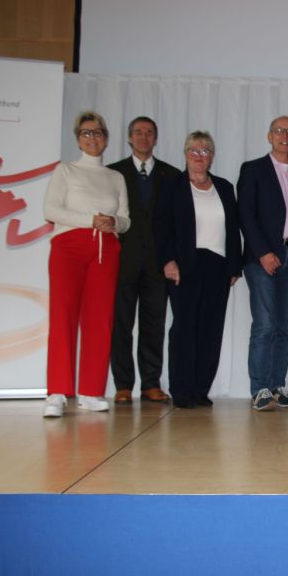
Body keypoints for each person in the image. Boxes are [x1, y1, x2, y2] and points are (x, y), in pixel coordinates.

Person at [42, 111, 130, 417]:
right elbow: (51, 210)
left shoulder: (115, 177)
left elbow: (126, 219)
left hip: (106, 248)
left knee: (100, 319)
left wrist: (113, 222)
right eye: (86, 133)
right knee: (63, 316)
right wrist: (90, 220)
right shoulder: (65, 170)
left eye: (98, 133)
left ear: (106, 138)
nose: (93, 138)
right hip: (69, 246)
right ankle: (56, 392)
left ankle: (91, 391)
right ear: (78, 137)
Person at [155, 131, 242, 409]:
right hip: (184, 266)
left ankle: (200, 389)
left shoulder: (225, 187)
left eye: (205, 151)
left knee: (210, 330)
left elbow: (233, 230)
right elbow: (161, 227)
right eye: (194, 150)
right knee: (184, 328)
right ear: (185, 154)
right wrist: (167, 260)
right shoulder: (172, 186)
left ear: (212, 157)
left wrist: (234, 267)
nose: (199, 156)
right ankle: (181, 389)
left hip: (218, 266)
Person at [237, 116, 288, 411]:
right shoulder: (253, 169)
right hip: (264, 255)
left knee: (285, 327)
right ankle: (259, 388)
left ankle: (277, 386)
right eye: (279, 130)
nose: (285, 135)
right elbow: (245, 214)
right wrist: (262, 252)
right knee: (264, 324)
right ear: (269, 136)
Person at [108, 116, 180, 405]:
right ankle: (123, 385)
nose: (143, 137)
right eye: (138, 132)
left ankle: (151, 383)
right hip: (122, 262)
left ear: (156, 138)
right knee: (121, 325)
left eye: (149, 133)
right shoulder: (113, 173)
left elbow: (175, 223)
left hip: (157, 264)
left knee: (154, 326)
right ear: (129, 138)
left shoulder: (171, 175)